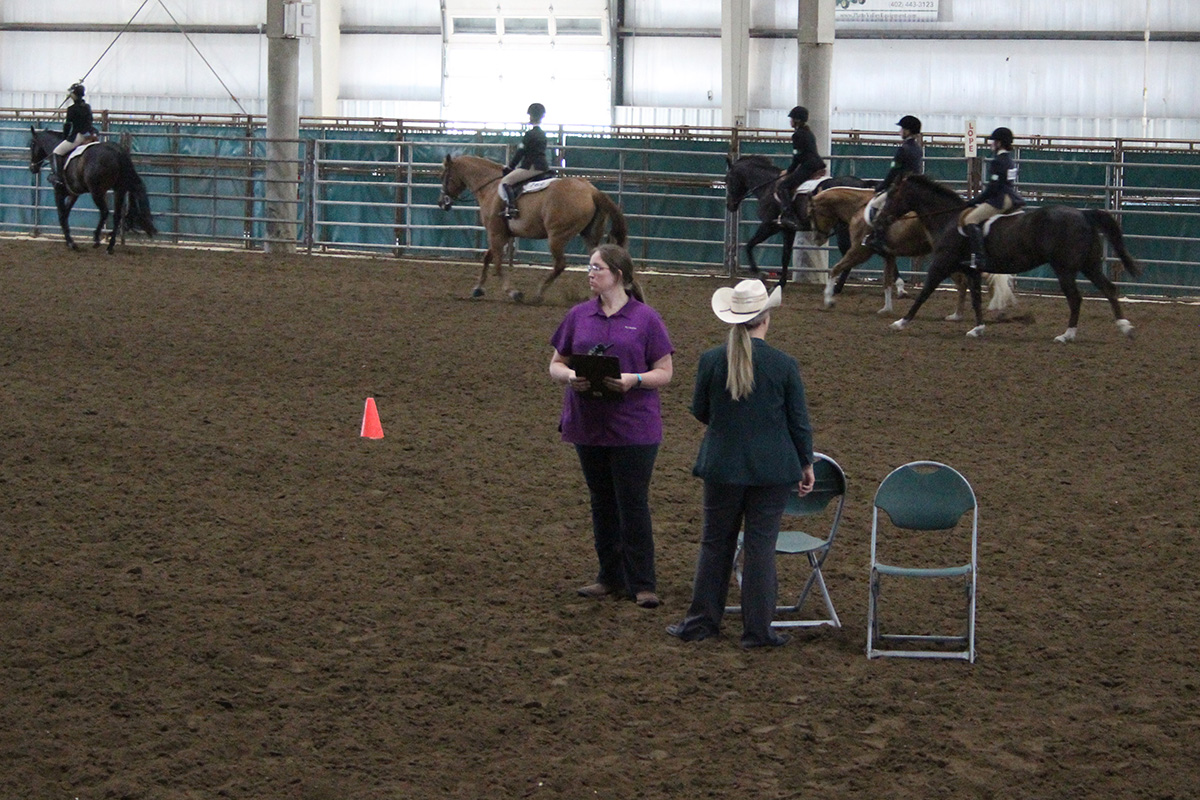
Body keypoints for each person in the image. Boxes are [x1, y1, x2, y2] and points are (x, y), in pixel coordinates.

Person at [666, 279, 816, 649]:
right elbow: (798, 421)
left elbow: (702, 412)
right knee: (761, 549)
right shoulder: (783, 364)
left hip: (722, 464)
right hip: (772, 468)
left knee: (715, 542)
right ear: (765, 317)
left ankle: (701, 621)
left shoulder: (712, 360)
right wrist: (806, 462)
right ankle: (758, 630)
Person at [549, 244, 674, 609]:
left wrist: (634, 379)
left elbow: (665, 372)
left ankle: (642, 581)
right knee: (601, 501)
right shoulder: (578, 316)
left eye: (597, 268)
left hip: (633, 427)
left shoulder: (646, 318)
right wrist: (571, 376)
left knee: (632, 502)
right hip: (589, 423)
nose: (590, 273)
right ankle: (609, 576)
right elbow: (556, 363)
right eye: (589, 267)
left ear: (618, 275)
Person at [962, 126, 1024, 270]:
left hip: (1001, 198)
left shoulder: (998, 161)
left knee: (970, 219)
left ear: (999, 143)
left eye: (993, 141)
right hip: (1012, 196)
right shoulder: (1009, 160)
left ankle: (979, 258)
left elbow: (993, 188)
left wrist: (974, 201)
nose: (991, 144)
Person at [863, 114, 924, 254]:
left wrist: (881, 187)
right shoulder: (917, 148)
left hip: (902, 187)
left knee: (877, 205)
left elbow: (893, 172)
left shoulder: (903, 149)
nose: (900, 131)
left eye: (902, 129)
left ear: (907, 131)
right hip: (915, 186)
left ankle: (877, 240)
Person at [775, 106, 828, 230]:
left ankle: (789, 216)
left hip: (808, 166)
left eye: (792, 118)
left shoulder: (797, 135)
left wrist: (789, 171)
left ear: (797, 120)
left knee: (783, 186)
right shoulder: (808, 133)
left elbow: (797, 156)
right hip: (817, 164)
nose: (790, 121)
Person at [500, 102, 549, 219]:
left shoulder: (529, 134)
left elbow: (520, 153)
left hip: (531, 166)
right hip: (543, 165)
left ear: (532, 116)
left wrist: (510, 167)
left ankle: (511, 208)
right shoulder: (543, 134)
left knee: (505, 181)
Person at [51, 83, 99, 186]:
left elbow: (67, 126)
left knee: (56, 152)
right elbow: (89, 122)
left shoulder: (71, 109)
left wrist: (65, 137)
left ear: (74, 95)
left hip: (78, 136)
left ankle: (58, 177)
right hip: (89, 135)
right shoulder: (87, 107)